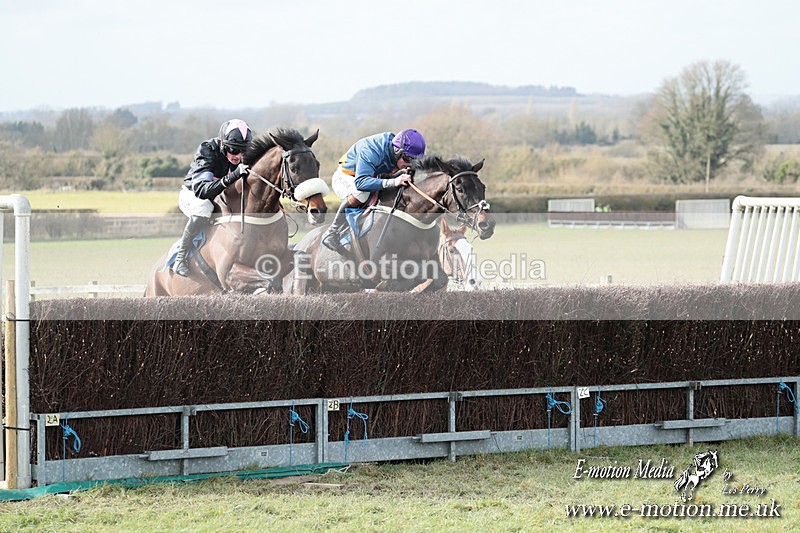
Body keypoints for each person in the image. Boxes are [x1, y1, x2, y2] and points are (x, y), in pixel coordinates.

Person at [321, 128, 426, 251]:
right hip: (347, 177)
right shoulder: (371, 150)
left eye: (415, 160)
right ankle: (331, 232)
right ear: (397, 151)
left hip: (372, 176)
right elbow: (361, 183)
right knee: (361, 194)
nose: (410, 164)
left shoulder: (398, 151)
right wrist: (393, 181)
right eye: (408, 159)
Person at [172, 119, 253, 276]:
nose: (238, 156)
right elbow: (202, 191)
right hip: (193, 195)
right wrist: (233, 176)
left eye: (243, 152)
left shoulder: (242, 156)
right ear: (223, 144)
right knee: (205, 207)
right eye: (234, 150)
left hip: (219, 196)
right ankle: (180, 258)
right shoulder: (207, 150)